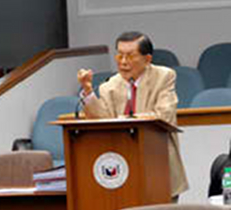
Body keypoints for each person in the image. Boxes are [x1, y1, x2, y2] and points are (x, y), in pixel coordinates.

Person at [77, 31, 188, 199]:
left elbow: (164, 115)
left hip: (157, 162)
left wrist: (124, 120)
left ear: (147, 59)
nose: (123, 62)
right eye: (119, 56)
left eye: (130, 56)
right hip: (122, 165)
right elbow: (101, 121)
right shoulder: (110, 85)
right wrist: (88, 91)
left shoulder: (164, 77)